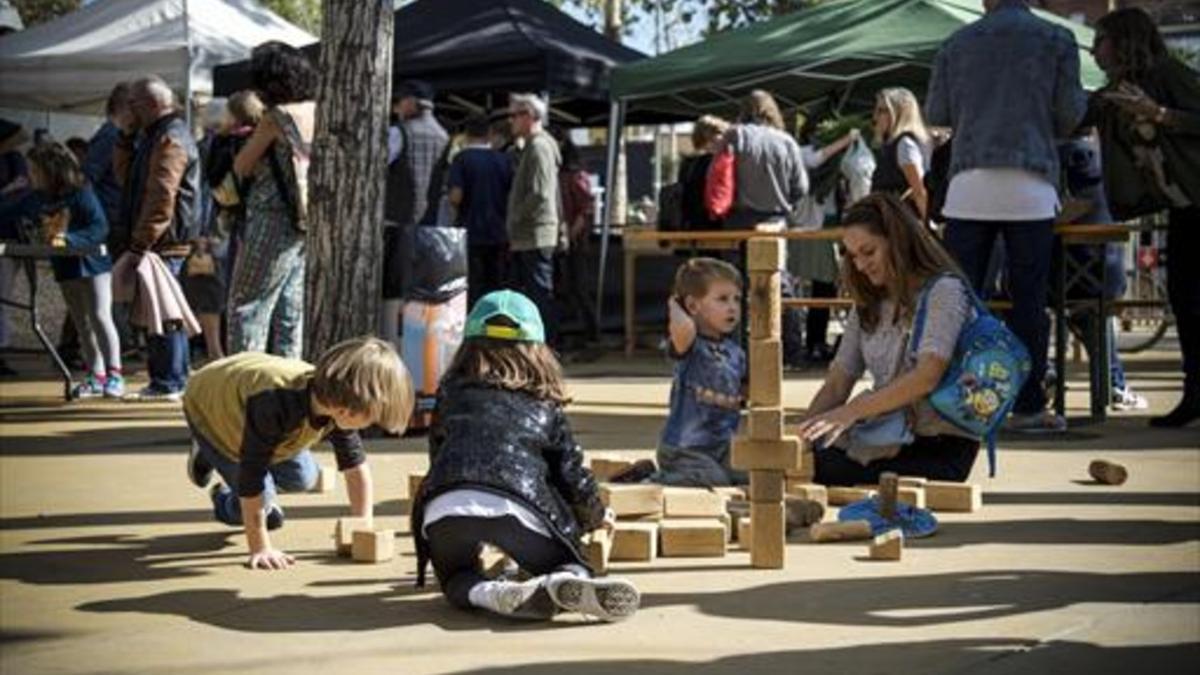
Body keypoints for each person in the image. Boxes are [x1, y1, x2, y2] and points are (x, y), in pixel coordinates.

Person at [410, 290, 639, 622]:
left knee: (457, 577)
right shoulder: (544, 404)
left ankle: (490, 594)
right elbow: (570, 474)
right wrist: (594, 515)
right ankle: (567, 579)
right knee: (569, 559)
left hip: (447, 506)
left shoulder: (450, 394)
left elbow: (439, 457)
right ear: (539, 352)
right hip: (518, 506)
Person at [925, 0, 1086, 433]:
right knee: (1029, 301)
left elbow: (936, 114)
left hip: (968, 183)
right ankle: (1029, 404)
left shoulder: (956, 42)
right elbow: (1071, 115)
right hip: (1031, 183)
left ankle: (958, 403)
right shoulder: (1058, 38)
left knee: (960, 302)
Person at [183, 336, 413, 570]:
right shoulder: (274, 403)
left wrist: (362, 527)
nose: (371, 424)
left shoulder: (336, 403)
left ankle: (227, 458)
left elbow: (355, 467)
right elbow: (251, 476)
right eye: (372, 419)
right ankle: (219, 485)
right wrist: (260, 547)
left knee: (304, 477)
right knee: (267, 510)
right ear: (348, 411)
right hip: (212, 411)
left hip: (258, 414)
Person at [798, 194, 981, 485]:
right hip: (887, 434)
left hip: (938, 445)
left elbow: (926, 377)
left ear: (898, 242)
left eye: (868, 252)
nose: (859, 265)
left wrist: (849, 413)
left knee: (820, 469)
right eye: (853, 255)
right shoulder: (869, 302)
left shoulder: (944, 291)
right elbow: (837, 384)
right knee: (798, 464)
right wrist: (800, 439)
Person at [1087, 7, 1200, 428]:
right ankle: (1194, 393)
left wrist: (1159, 114)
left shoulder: (1169, 77)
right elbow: (1079, 115)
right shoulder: (1117, 91)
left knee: (1191, 299)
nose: (1095, 50)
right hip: (1185, 207)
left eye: (1101, 40)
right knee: (1186, 301)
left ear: (1124, 41)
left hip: (1195, 202)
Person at [0, 142, 123, 397]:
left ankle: (115, 374)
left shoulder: (81, 192)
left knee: (100, 316)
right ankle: (96, 375)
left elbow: (99, 228)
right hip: (66, 267)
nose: (29, 174)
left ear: (50, 169)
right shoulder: (36, 196)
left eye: (34, 170)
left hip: (93, 265)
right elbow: (9, 214)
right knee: (81, 323)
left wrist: (69, 240)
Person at [113, 76, 201, 402]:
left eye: (132, 104)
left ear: (151, 104)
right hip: (159, 239)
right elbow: (127, 179)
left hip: (162, 241)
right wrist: (124, 137)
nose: (127, 110)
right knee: (161, 310)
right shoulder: (155, 136)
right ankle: (169, 378)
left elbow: (162, 195)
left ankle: (170, 381)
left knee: (163, 311)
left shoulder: (169, 137)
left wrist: (140, 243)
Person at [229, 41, 315, 360]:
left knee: (248, 305)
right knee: (290, 311)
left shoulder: (277, 117)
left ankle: (243, 385)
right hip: (304, 218)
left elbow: (242, 166)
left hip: (271, 216)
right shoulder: (318, 110)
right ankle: (288, 386)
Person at [654, 258, 746, 487]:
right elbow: (684, 327)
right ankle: (653, 478)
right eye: (722, 299)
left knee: (748, 477)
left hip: (722, 447)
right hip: (684, 450)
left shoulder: (736, 352)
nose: (732, 307)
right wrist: (675, 304)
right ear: (693, 306)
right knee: (713, 480)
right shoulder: (690, 345)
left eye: (737, 299)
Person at [382, 80, 450, 347]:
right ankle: (419, 351)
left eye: (399, 102)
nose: (397, 108)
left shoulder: (399, 132)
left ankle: (390, 346)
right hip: (431, 227)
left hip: (396, 222)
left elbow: (376, 167)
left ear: (411, 103)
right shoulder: (445, 136)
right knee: (422, 292)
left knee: (393, 289)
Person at [793, 120, 861, 364]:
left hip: (834, 227)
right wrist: (847, 138)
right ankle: (814, 343)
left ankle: (818, 342)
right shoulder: (804, 154)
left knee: (829, 287)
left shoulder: (837, 167)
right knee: (821, 286)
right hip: (815, 228)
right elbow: (816, 158)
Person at [506, 93, 562, 346]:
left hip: (535, 234)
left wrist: (515, 217)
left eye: (515, 115)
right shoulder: (534, 145)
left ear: (530, 116)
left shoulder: (539, 146)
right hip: (531, 234)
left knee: (539, 295)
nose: (511, 121)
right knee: (535, 294)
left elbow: (540, 193)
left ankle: (546, 347)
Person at [448, 113, 512, 308]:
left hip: (469, 230)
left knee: (472, 285)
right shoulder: (504, 160)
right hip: (499, 230)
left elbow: (455, 196)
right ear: (489, 133)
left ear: (466, 134)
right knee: (496, 283)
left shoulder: (461, 159)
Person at [724, 89, 808, 231]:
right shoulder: (787, 141)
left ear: (743, 111)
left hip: (739, 221)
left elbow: (718, 177)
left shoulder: (735, 136)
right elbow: (801, 187)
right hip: (776, 221)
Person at [554, 131, 598, 350]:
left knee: (578, 288)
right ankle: (583, 332)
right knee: (569, 288)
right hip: (567, 239)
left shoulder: (574, 175)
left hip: (574, 242)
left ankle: (590, 333)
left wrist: (572, 234)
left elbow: (585, 209)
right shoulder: (569, 174)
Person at [870, 87, 932, 221]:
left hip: (903, 223)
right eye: (876, 110)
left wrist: (927, 228)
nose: (875, 117)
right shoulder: (890, 145)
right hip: (891, 219)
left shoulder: (904, 144)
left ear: (899, 112)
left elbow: (919, 192)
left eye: (882, 111)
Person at [678, 115, 730, 231]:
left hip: (689, 225)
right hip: (713, 224)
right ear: (710, 136)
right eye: (720, 134)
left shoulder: (687, 163)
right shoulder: (715, 162)